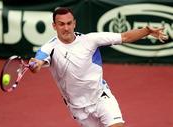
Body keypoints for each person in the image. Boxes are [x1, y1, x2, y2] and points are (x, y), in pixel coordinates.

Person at [29, 7, 168, 127]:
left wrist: (146, 31)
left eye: (69, 23)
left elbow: (124, 37)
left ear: (74, 23)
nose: (66, 28)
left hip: (101, 97)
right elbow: (38, 63)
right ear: (54, 26)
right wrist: (35, 65)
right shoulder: (49, 48)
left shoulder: (90, 40)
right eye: (61, 24)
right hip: (77, 108)